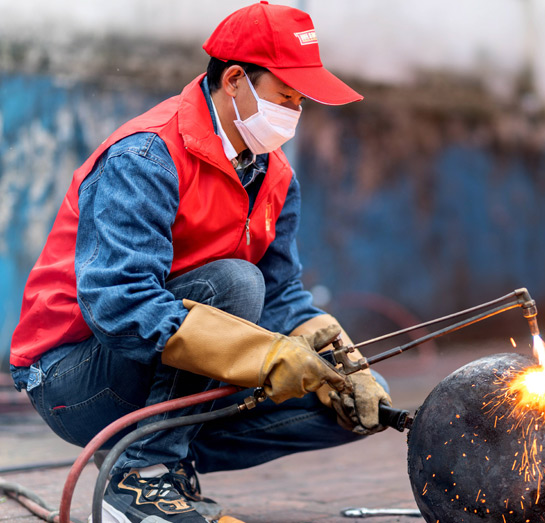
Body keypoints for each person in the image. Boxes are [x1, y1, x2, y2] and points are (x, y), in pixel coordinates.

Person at [8, 3, 391, 522]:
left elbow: (281, 294)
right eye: (286, 96)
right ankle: (141, 483)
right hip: (72, 375)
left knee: (345, 402)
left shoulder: (274, 175)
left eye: (300, 101)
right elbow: (121, 306)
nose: (295, 113)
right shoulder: (145, 156)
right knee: (234, 284)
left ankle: (166, 459)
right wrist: (262, 355)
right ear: (235, 80)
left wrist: (342, 356)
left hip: (151, 372)